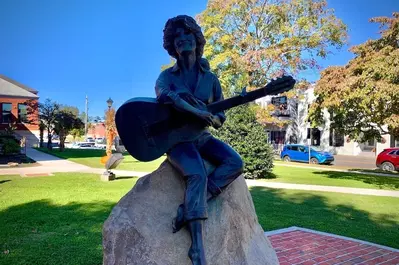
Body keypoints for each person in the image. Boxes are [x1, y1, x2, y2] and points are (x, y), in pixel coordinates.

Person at [155, 15, 243, 265]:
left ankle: (192, 205)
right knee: (197, 174)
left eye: (187, 35)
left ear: (197, 40)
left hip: (202, 137)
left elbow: (220, 113)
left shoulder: (210, 79)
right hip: (176, 141)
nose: (182, 40)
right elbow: (168, 97)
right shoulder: (166, 77)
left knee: (235, 163)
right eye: (177, 37)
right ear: (172, 46)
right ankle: (197, 249)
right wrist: (198, 112)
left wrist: (215, 119)